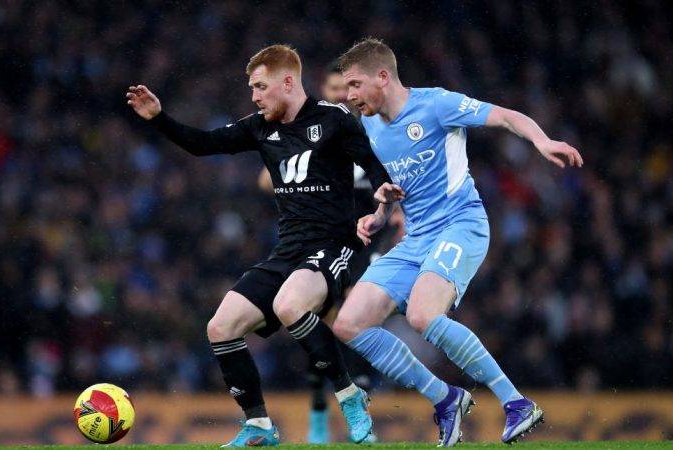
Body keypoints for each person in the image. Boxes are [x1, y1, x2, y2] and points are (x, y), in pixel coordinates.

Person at [127, 44, 397, 447]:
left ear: (287, 82)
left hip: (333, 244)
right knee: (220, 327)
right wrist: (159, 118)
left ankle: (350, 396)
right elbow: (204, 144)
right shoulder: (259, 127)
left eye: (259, 87)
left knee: (290, 305)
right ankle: (258, 425)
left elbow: (373, 167)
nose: (254, 96)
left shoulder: (334, 119)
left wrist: (382, 197)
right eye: (252, 88)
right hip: (287, 251)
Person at [332, 38, 583, 447]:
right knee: (349, 323)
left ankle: (516, 402)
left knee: (422, 315)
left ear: (383, 77)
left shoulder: (436, 104)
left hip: (460, 224)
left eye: (355, 84)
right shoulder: (370, 126)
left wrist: (541, 141)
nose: (349, 95)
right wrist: (378, 215)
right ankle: (445, 398)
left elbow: (505, 116)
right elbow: (395, 187)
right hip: (416, 237)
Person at [257, 60, 378, 444]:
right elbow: (266, 178)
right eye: (335, 89)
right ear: (324, 93)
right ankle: (320, 407)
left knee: (355, 320)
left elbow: (391, 179)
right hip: (325, 239)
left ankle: (357, 399)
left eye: (347, 89)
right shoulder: (318, 134)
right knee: (318, 320)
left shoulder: (371, 132)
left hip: (365, 242)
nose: (342, 96)